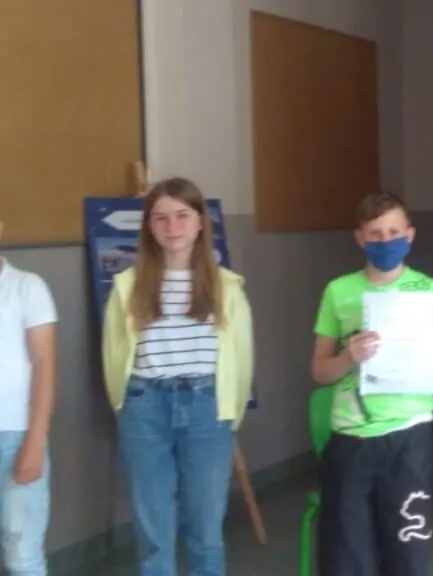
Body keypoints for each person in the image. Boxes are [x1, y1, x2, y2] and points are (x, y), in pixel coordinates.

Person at [101, 178, 254, 576]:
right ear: (149, 226)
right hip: (145, 408)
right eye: (161, 218)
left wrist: (229, 413)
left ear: (200, 222)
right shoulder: (128, 286)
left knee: (206, 529)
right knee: (153, 531)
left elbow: (242, 357)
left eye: (182, 216)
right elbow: (113, 353)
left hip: (206, 408)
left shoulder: (226, 287)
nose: (172, 227)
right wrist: (125, 404)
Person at [311, 192, 433, 576]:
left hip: (408, 439)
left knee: (407, 553)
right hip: (351, 439)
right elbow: (320, 371)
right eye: (375, 234)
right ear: (359, 238)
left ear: (410, 235)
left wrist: (406, 373)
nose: (385, 241)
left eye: (394, 232)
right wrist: (349, 358)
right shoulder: (339, 291)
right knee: (346, 557)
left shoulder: (430, 291)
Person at [0, 217, 58, 576]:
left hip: (16, 436)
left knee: (22, 556)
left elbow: (44, 366)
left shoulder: (26, 287)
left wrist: (35, 441)